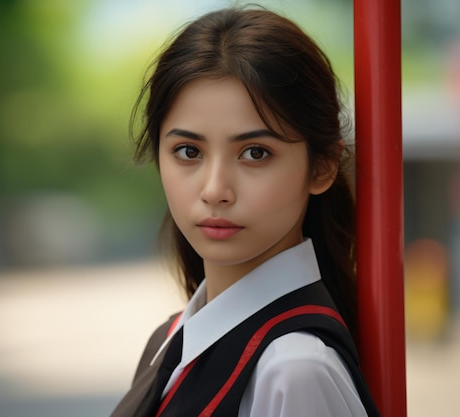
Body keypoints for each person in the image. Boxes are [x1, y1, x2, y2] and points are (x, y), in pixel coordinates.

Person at [110, 6, 381, 417]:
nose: (215, 190)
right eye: (188, 151)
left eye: (255, 153)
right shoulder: (170, 341)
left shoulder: (294, 370)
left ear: (322, 165)